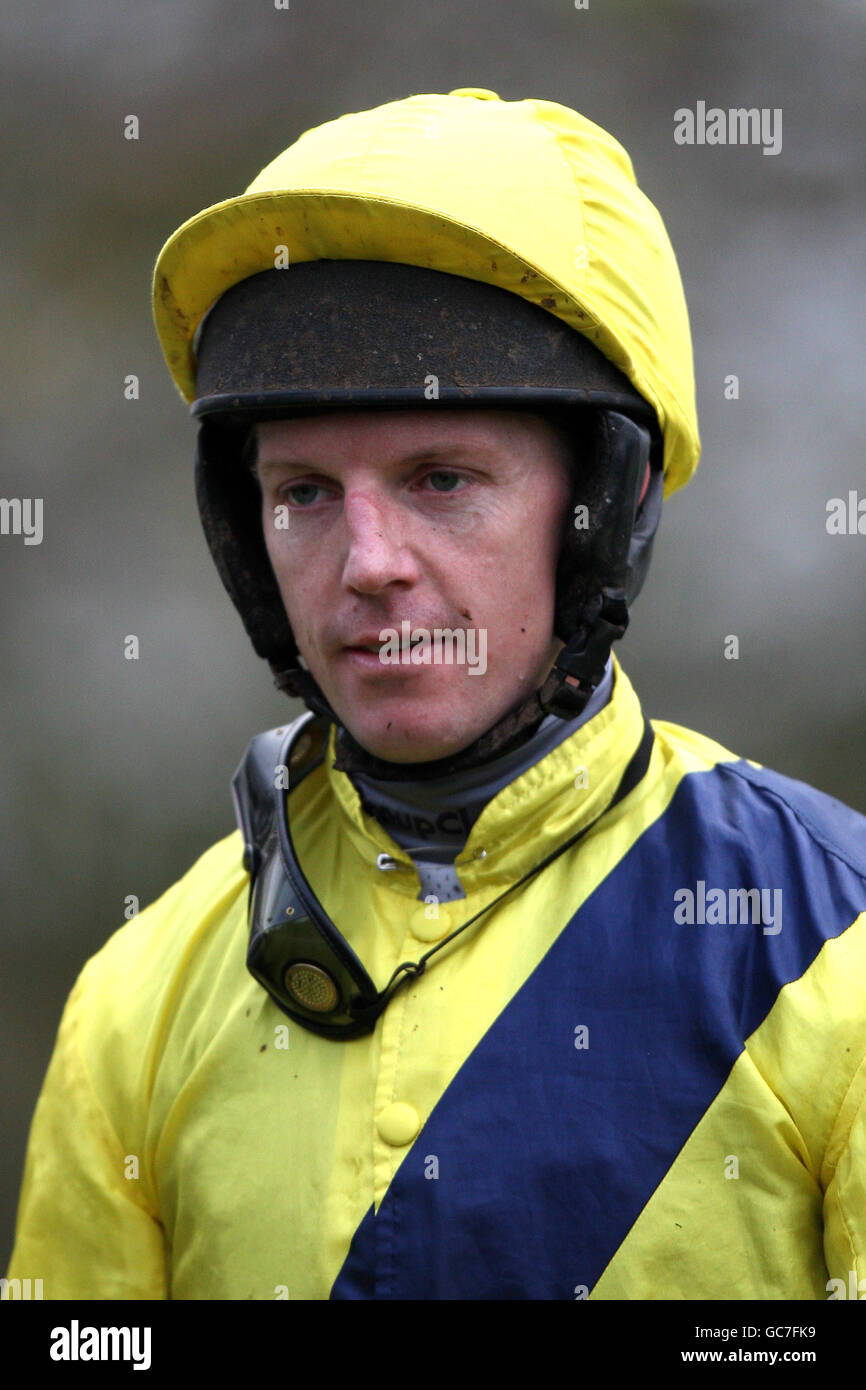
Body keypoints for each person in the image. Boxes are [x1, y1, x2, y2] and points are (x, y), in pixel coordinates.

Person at [7, 88, 866, 1302]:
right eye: (303, 491)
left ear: (601, 507)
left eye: (441, 478)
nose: (367, 563)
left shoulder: (834, 946)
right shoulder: (137, 1001)